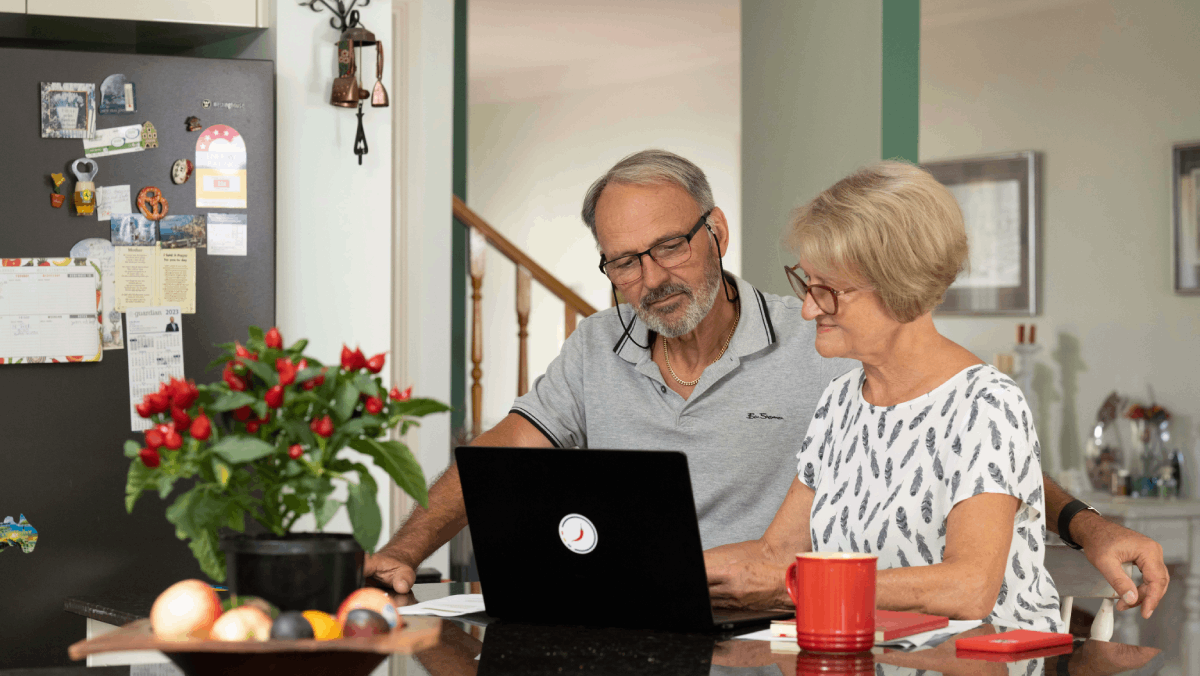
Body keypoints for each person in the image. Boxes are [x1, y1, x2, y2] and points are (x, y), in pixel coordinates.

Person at [367, 151, 1168, 621]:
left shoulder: (831, 346)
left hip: (864, 640)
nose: (649, 278)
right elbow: (497, 464)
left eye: (670, 247)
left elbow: (973, 475)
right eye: (622, 262)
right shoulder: (605, 350)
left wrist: (1089, 527)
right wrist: (406, 555)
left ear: (715, 233)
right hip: (754, 635)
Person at [703, 162, 1147, 629]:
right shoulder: (839, 401)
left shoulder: (985, 404)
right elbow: (775, 552)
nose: (809, 307)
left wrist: (797, 584)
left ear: (902, 290)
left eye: (829, 290)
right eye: (807, 283)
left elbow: (969, 587)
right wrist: (656, 575)